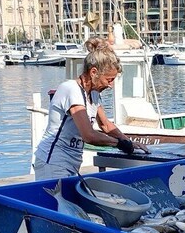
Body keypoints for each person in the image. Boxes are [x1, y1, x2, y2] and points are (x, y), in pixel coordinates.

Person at [33, 37, 148, 180]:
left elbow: (106, 125)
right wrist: (120, 144)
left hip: (72, 162)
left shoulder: (94, 94)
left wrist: (128, 142)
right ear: (93, 72)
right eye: (109, 79)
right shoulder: (71, 89)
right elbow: (88, 135)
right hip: (52, 161)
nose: (110, 85)